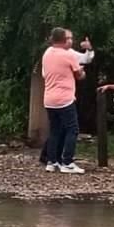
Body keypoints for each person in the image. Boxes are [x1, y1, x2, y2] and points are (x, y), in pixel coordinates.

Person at [38, 33, 94, 165]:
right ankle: (67, 162)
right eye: (68, 38)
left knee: (55, 130)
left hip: (50, 97)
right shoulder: (67, 55)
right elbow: (80, 74)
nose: (71, 41)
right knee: (72, 129)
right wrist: (79, 72)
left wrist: (89, 49)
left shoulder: (48, 53)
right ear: (62, 40)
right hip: (64, 98)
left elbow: (45, 74)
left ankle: (52, 160)